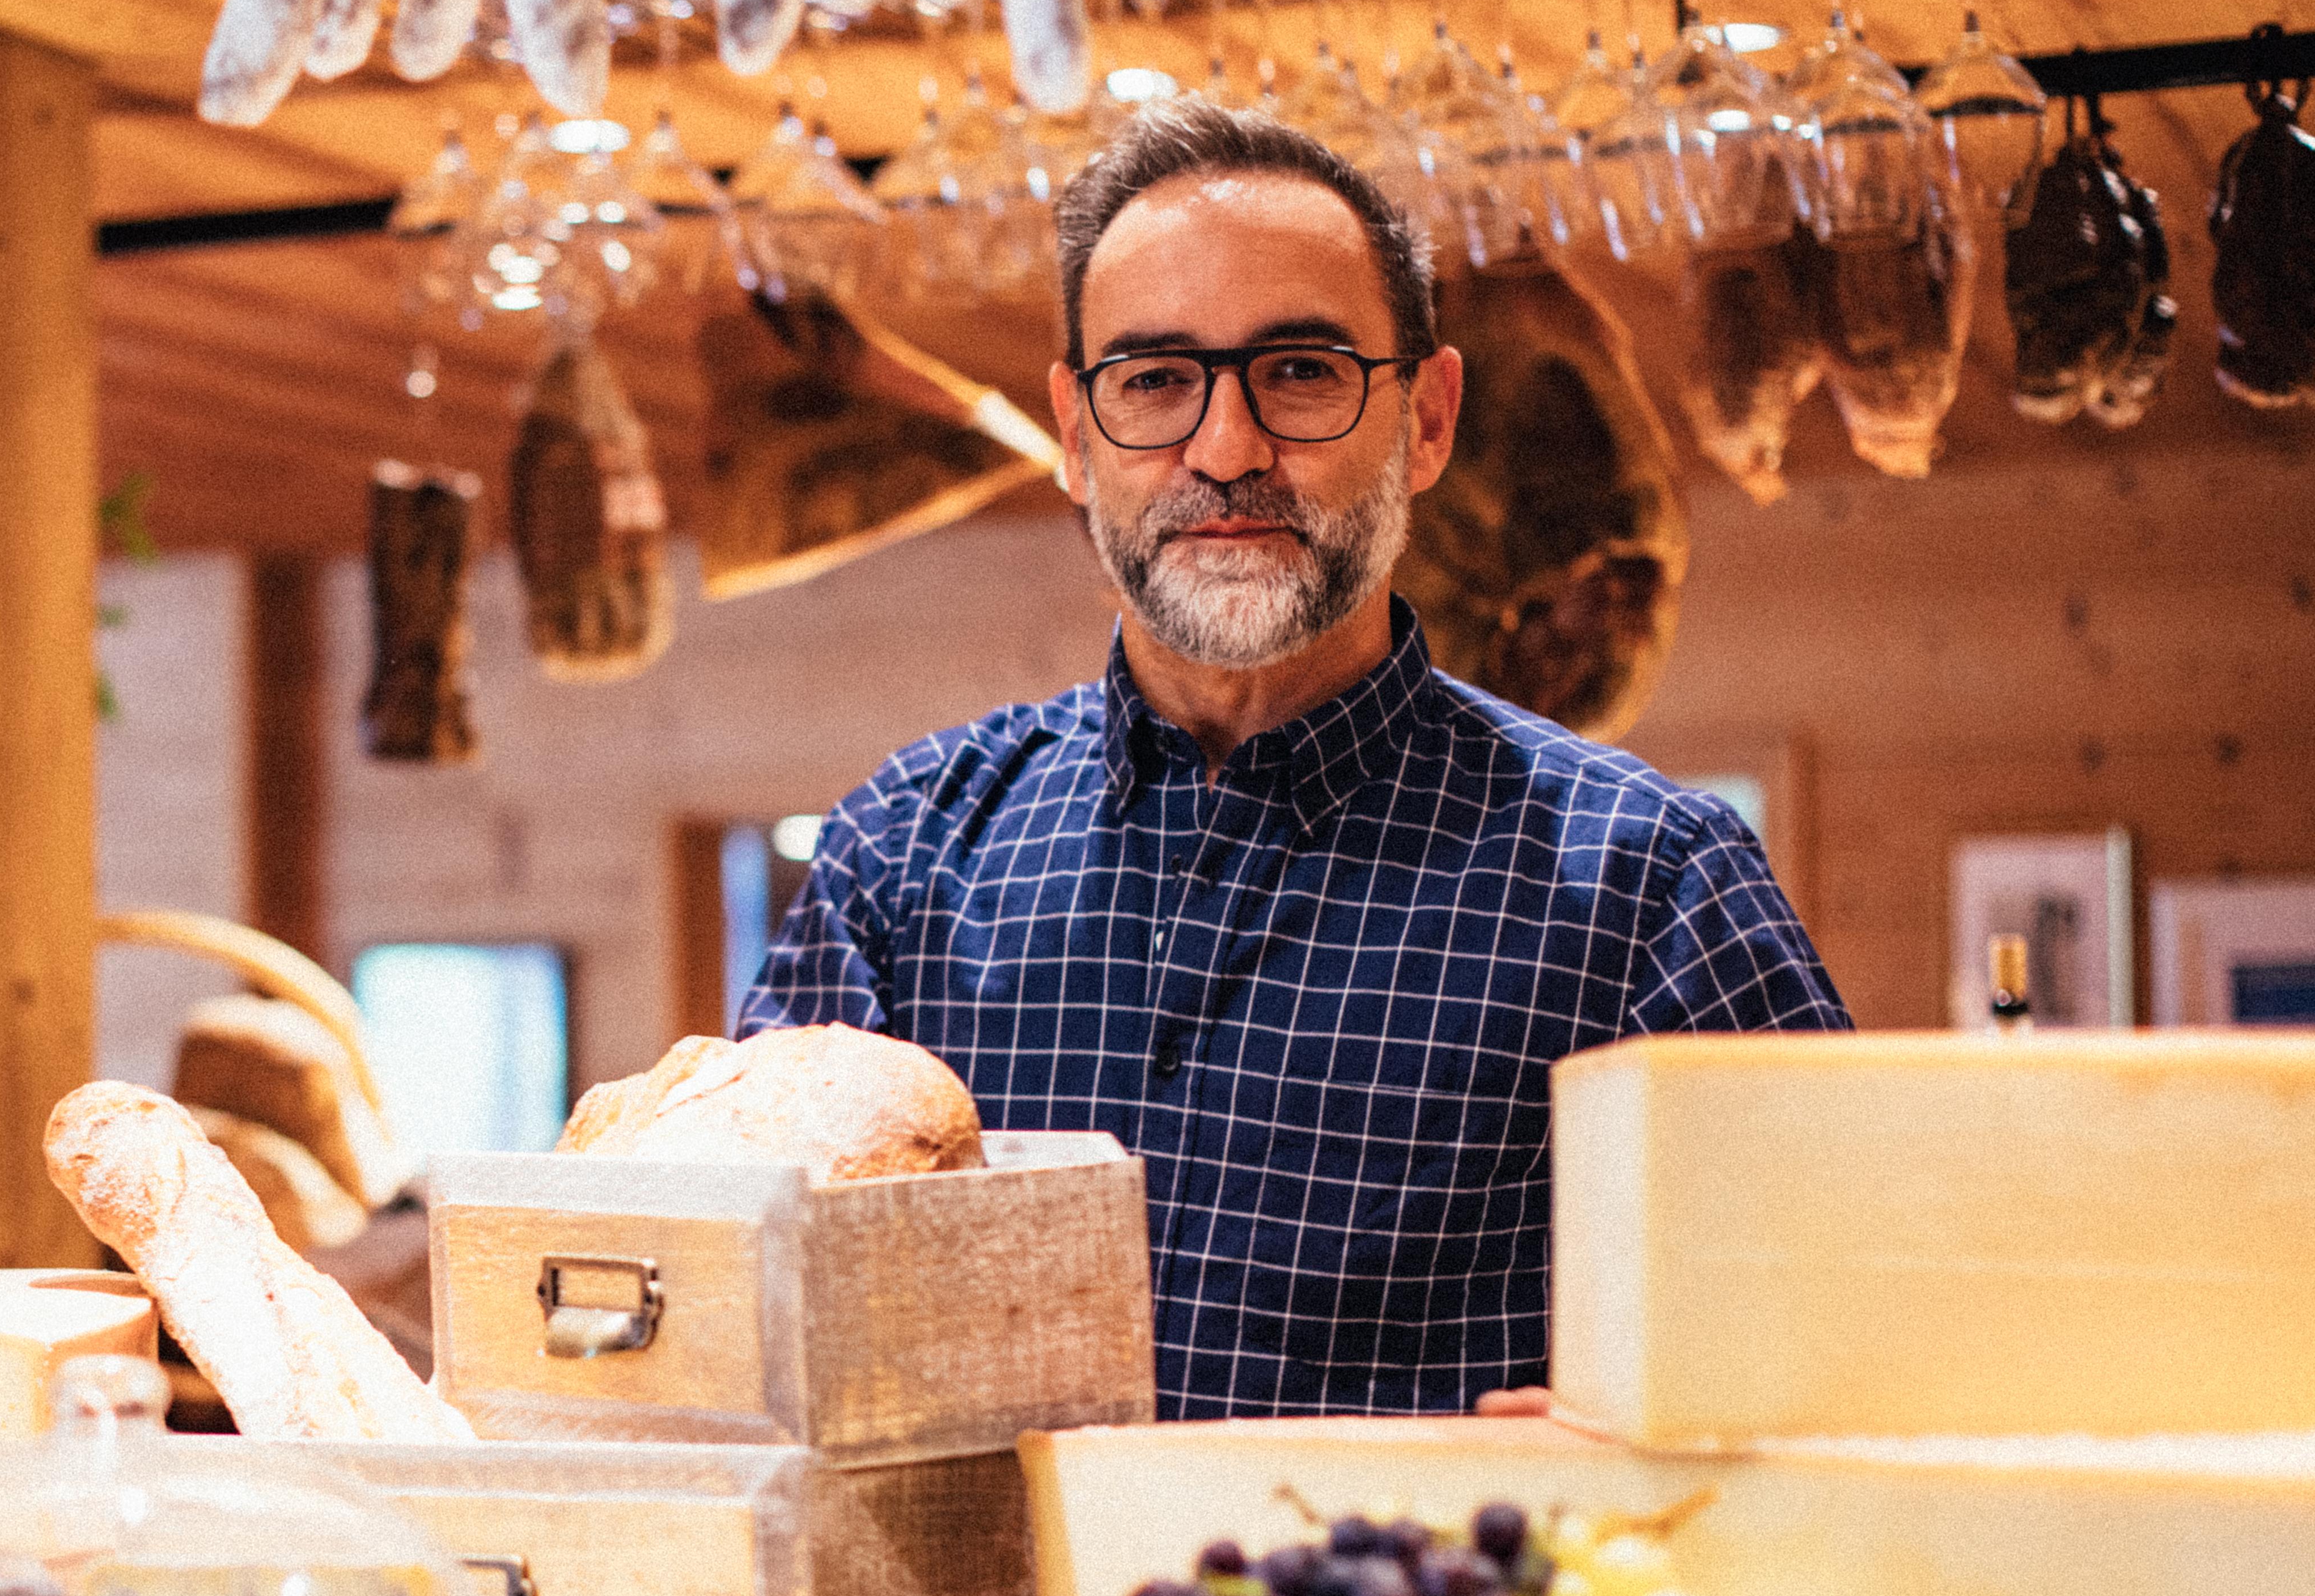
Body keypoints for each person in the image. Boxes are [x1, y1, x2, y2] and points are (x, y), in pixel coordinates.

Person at [740, 97, 1848, 1419]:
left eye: (1303, 373)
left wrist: (1671, 1424)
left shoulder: (1648, 888)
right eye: (1154, 382)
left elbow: (1841, 1350)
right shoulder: (904, 857)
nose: (1225, 449)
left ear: (1428, 419)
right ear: (1080, 435)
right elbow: (741, 1324)